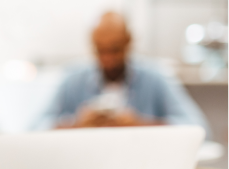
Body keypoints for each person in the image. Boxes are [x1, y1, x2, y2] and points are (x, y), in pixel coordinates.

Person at [35, 12, 210, 133]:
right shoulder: (72, 80)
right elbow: (34, 128)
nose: (108, 58)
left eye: (115, 50)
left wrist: (139, 124)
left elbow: (198, 127)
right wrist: (77, 124)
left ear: (129, 42)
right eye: (100, 50)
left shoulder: (155, 78)